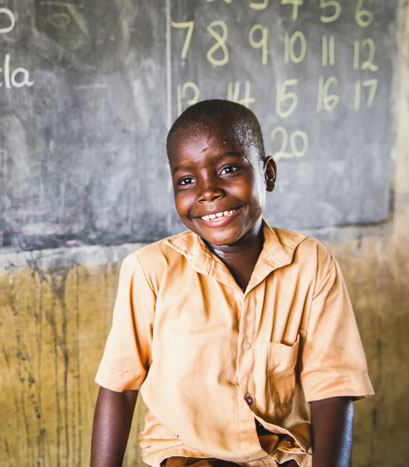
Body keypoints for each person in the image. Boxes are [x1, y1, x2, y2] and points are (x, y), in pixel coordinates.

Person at [90, 100, 374, 467]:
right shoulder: (150, 270)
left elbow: (333, 387)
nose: (208, 191)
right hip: (188, 457)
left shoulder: (310, 263)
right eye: (186, 180)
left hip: (282, 457)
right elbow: (118, 387)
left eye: (228, 169)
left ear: (268, 174)